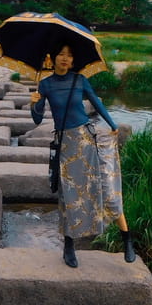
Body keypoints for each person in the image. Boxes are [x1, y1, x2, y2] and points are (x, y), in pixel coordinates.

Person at [30, 40, 135, 268]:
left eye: (69, 55)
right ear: (53, 58)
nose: (65, 58)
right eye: (61, 54)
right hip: (67, 146)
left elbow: (96, 103)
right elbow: (37, 119)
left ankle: (127, 238)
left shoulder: (80, 80)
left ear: (73, 60)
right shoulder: (45, 85)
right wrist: (34, 104)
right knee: (70, 196)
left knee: (107, 188)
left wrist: (113, 124)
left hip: (89, 139)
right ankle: (69, 246)